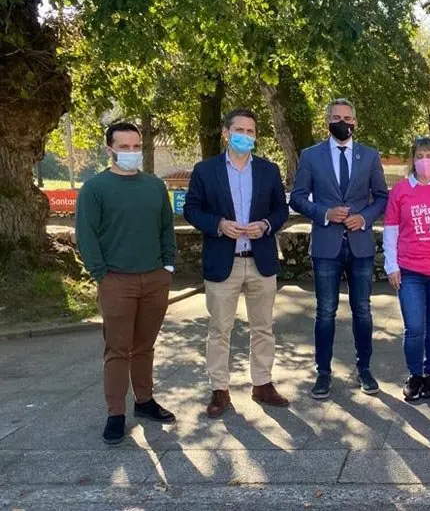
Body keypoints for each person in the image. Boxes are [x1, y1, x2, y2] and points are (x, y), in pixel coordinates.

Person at [183, 108, 291, 418]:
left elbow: (280, 211)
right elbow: (192, 209)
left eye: (251, 131)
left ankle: (263, 384)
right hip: (223, 260)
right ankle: (220, 390)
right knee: (219, 329)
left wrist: (266, 226)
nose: (246, 136)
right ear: (225, 133)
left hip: (260, 261)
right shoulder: (206, 171)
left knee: (264, 327)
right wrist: (218, 224)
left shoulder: (269, 171)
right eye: (240, 130)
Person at [76, 122, 177, 444]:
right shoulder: (95, 188)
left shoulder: (153, 186)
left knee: (144, 346)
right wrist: (101, 274)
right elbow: (87, 235)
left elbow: (166, 229)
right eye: (124, 147)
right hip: (116, 280)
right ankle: (115, 413)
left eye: (136, 147)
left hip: (155, 279)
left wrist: (168, 266)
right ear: (110, 150)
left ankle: (144, 401)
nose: (131, 153)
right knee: (118, 349)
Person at [290, 98, 389, 399]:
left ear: (355, 122)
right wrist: (324, 212)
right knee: (326, 311)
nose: (342, 122)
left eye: (347, 117)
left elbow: (382, 197)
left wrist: (365, 217)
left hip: (360, 245)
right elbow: (297, 197)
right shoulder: (311, 156)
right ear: (328, 121)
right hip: (326, 245)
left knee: (362, 310)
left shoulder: (369, 156)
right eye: (336, 117)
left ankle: (365, 369)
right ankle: (323, 372)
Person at [383, 137, 430, 403]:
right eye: (419, 155)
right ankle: (414, 375)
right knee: (414, 327)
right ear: (412, 159)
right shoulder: (401, 191)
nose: (424, 160)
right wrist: (391, 266)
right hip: (410, 271)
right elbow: (390, 229)